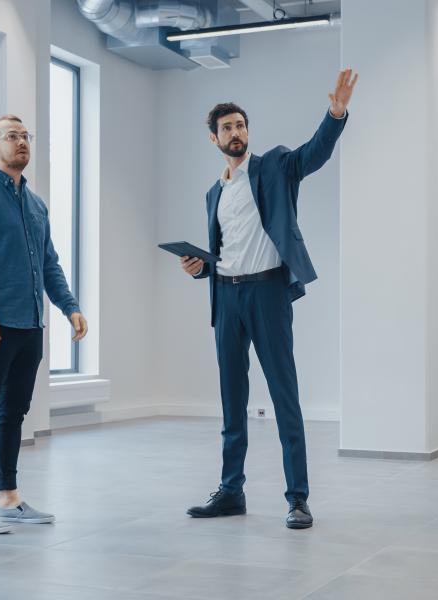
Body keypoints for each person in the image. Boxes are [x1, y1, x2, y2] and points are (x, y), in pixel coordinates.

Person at [183, 69, 358, 529]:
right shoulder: (213, 193)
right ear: (213, 138)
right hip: (227, 297)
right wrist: (201, 265)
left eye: (240, 125)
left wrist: (335, 114)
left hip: (267, 295)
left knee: (284, 396)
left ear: (247, 132)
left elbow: (313, 154)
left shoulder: (275, 167)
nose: (235, 132)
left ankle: (297, 498)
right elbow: (225, 249)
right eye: (227, 128)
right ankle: (231, 491)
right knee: (231, 398)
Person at [0, 114, 88, 534]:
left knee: (14, 411)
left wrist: (69, 306)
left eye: (26, 135)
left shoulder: (36, 204)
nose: (21, 142)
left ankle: (7, 498)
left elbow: (48, 264)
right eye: (12, 136)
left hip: (30, 325)